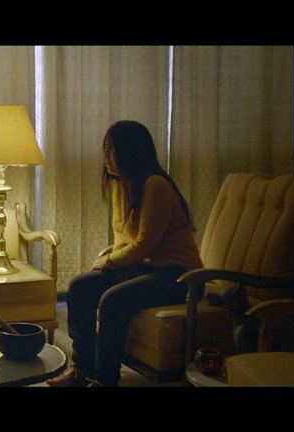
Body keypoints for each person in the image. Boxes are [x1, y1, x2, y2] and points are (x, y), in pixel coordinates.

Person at [47, 120, 203, 387]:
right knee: (80, 287)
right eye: (105, 149)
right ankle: (82, 369)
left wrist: (107, 262)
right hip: (147, 267)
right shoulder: (123, 184)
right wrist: (120, 263)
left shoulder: (155, 185)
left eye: (112, 150)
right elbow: (123, 238)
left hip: (179, 276)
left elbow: (145, 244)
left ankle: (105, 380)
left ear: (131, 152)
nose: (106, 156)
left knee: (113, 300)